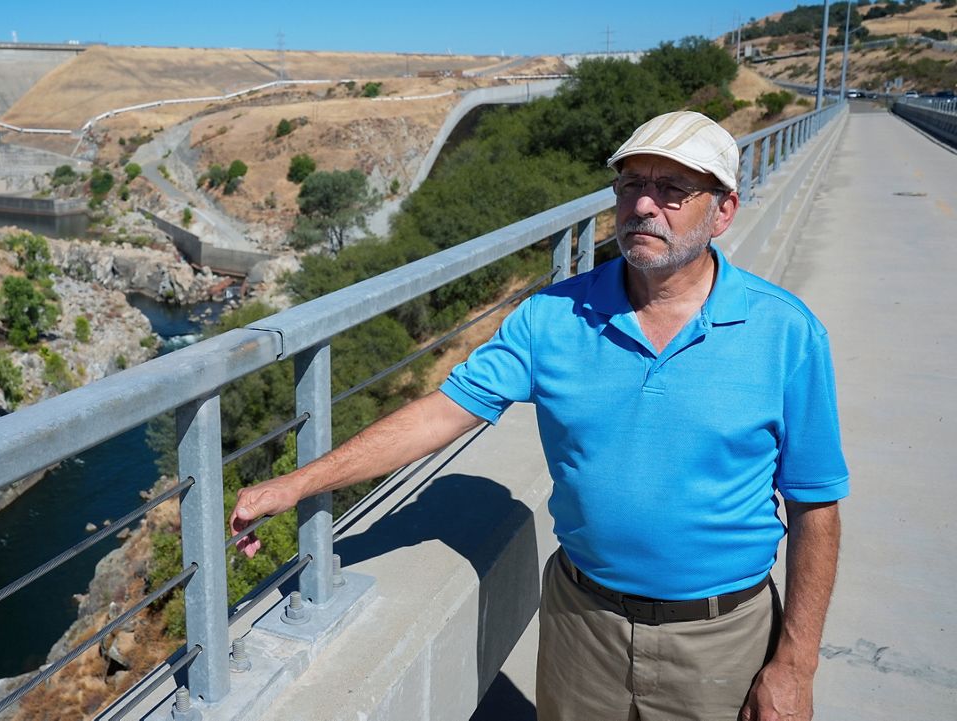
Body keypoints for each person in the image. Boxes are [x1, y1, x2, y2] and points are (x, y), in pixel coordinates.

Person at [229, 110, 848, 721]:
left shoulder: (786, 334)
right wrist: (296, 484)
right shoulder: (551, 317)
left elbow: (815, 507)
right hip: (582, 625)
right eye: (632, 185)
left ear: (724, 211)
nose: (643, 206)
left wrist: (796, 662)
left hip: (721, 640)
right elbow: (438, 416)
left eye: (672, 190)